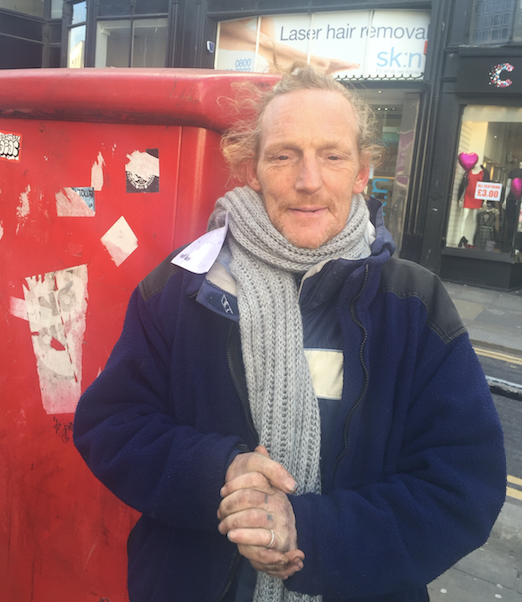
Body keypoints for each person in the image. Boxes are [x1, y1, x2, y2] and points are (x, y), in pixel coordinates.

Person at [74, 64, 506, 602]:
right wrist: (219, 473)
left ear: (361, 171)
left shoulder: (414, 306)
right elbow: (111, 425)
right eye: (283, 155)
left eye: (332, 155)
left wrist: (312, 532)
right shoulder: (180, 288)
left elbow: (462, 485)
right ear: (252, 170)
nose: (308, 180)